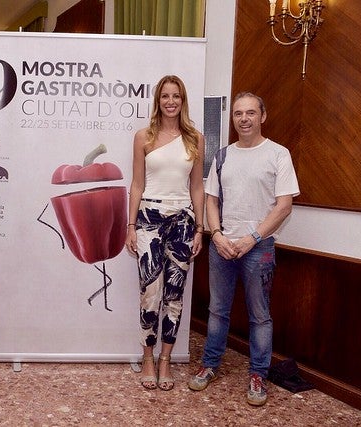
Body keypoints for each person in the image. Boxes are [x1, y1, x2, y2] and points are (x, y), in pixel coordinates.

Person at [188, 92, 300, 406]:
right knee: (217, 311)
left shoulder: (278, 154)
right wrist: (216, 235)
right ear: (233, 118)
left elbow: (284, 206)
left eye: (250, 113)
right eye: (238, 113)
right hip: (222, 247)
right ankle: (209, 365)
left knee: (260, 316)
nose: (244, 119)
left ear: (262, 116)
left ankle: (258, 375)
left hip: (259, 248)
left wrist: (252, 237)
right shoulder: (223, 156)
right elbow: (211, 200)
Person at [126, 75, 205, 391]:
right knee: (151, 291)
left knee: (175, 293)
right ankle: (147, 356)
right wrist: (131, 226)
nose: (170, 102)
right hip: (149, 219)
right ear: (157, 101)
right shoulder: (143, 137)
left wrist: (200, 229)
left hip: (183, 221)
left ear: (183, 101)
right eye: (165, 96)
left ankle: (165, 359)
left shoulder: (195, 138)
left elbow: (197, 187)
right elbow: (137, 184)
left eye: (176, 96)